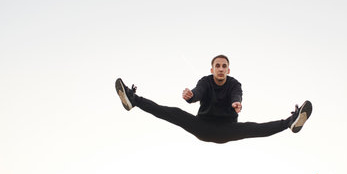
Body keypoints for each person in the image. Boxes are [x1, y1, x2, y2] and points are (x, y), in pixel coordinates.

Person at [115, 54, 312, 144]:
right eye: (217, 66)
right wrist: (191, 97)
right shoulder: (206, 81)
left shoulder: (234, 84)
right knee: (174, 113)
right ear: (212, 69)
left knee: (253, 127)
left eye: (224, 66)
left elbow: (237, 95)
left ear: (228, 69)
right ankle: (134, 100)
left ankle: (291, 122)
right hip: (203, 126)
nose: (220, 69)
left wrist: (237, 103)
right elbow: (199, 90)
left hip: (227, 129)